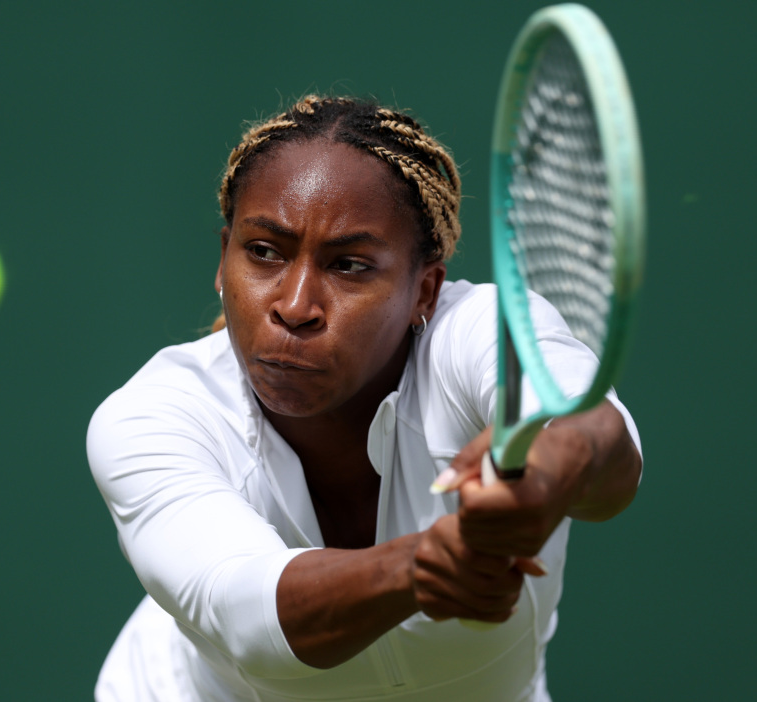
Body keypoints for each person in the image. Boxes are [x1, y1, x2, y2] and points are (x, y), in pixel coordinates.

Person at [87, 95, 642, 701]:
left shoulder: (480, 332)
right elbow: (244, 611)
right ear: (223, 260)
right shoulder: (155, 415)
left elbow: (599, 443)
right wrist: (423, 566)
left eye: (349, 265)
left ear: (424, 291)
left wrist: (541, 478)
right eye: (264, 252)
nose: (295, 307)